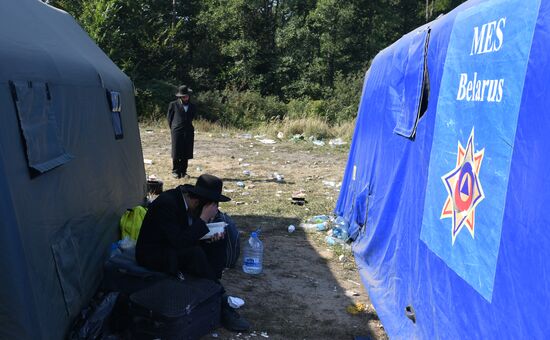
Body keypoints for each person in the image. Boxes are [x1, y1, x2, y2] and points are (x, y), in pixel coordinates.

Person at [135, 174, 250, 332]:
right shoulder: (167, 203)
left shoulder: (187, 205)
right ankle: (221, 300)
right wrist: (202, 220)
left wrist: (208, 235)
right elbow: (179, 242)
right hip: (153, 255)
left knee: (217, 241)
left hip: (174, 248)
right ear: (198, 201)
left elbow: (184, 238)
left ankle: (212, 288)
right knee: (194, 253)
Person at [167, 85, 196, 179]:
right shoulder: (173, 104)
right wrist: (173, 128)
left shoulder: (192, 106)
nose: (185, 98)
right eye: (183, 96)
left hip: (188, 130)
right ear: (180, 97)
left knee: (186, 151)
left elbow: (191, 117)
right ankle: (175, 171)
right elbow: (169, 118)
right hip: (176, 130)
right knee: (176, 151)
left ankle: (183, 172)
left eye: (187, 96)